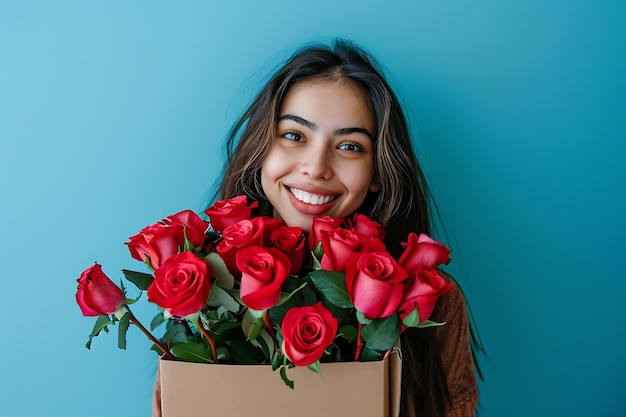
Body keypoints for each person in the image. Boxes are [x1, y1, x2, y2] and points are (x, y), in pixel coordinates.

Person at [154, 38, 482, 417]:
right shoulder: (197, 282)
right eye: (295, 136)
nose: (316, 167)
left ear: (377, 171)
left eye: (350, 146)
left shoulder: (433, 299)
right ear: (262, 148)